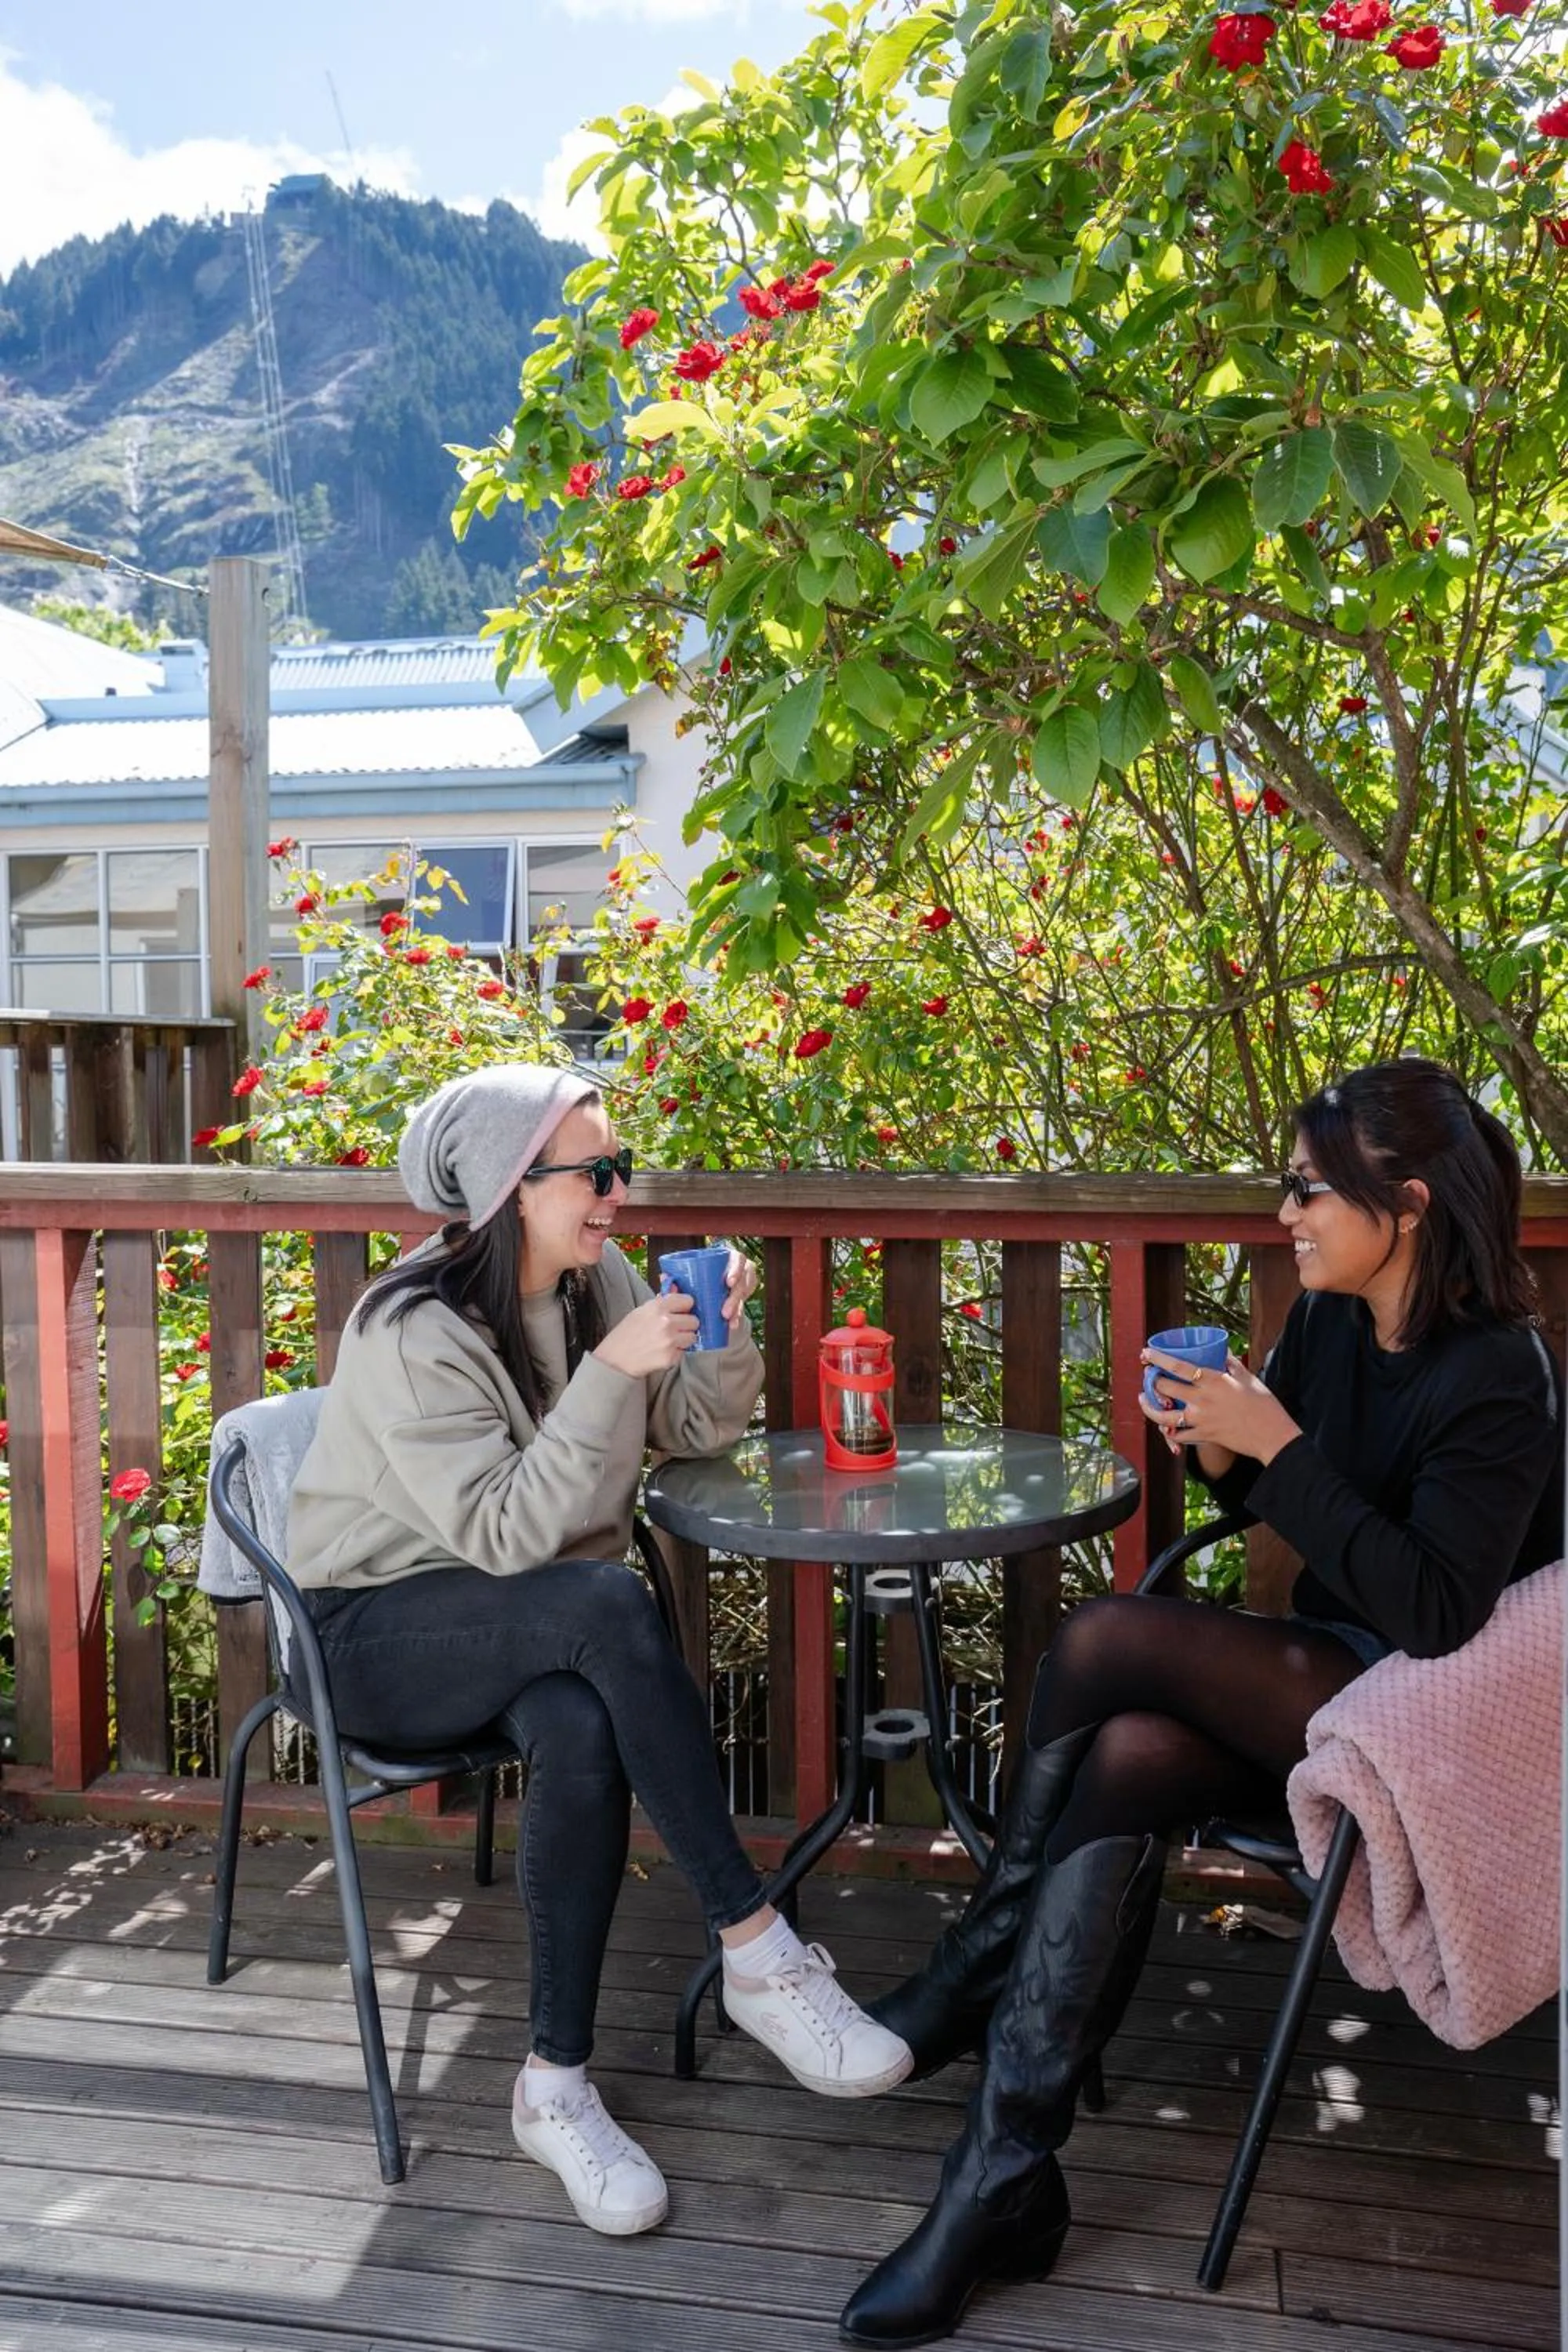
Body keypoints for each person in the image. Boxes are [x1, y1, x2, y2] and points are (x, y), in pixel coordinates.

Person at [840, 1058, 1562, 2347]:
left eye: (1306, 1190)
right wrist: (1228, 1455)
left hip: (1430, 1722)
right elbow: (1297, 1512)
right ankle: (1001, 2176)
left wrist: (1274, 1450)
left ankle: (974, 1969)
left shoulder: (1499, 1374)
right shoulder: (1333, 1319)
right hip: (1326, 1686)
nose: (1283, 1212)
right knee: (1127, 1752)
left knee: (1109, 1633)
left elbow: (1438, 1613)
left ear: (1402, 1205)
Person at [285, 1062, 911, 2241]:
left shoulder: (591, 1280)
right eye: (595, 1172)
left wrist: (711, 1335)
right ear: (513, 1187)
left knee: (578, 1718)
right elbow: (514, 1532)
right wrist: (615, 1369)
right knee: (609, 1606)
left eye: (621, 1168)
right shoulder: (414, 1329)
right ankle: (757, 1946)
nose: (620, 1193)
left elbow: (688, 1430)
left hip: (513, 1611)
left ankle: (553, 2082)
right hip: (368, 1633)